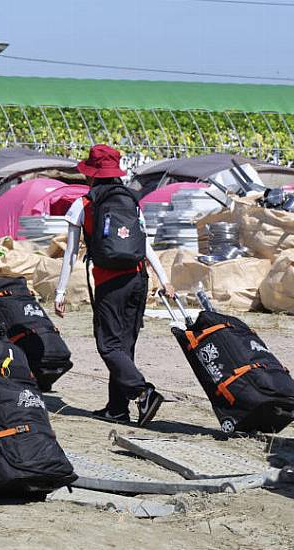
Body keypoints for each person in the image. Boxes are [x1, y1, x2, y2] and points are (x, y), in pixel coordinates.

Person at [54, 144, 171, 427]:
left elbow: (70, 253)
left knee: (108, 345)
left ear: (91, 174)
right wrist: (164, 279)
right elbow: (145, 244)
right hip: (137, 279)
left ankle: (143, 393)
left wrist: (60, 291)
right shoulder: (131, 200)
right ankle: (117, 409)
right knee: (124, 346)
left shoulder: (83, 204)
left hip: (110, 282)